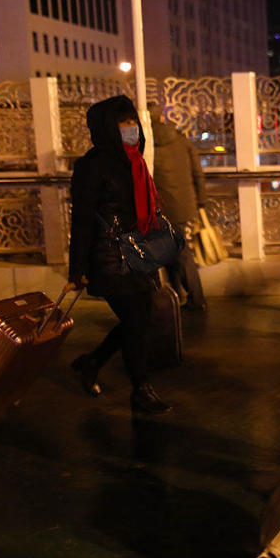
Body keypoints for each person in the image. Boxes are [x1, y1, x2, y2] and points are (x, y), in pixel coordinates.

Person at [64, 95, 172, 415]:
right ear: (107, 128)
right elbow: (81, 220)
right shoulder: (91, 166)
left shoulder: (135, 161)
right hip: (108, 258)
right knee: (137, 319)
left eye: (132, 122)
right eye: (122, 123)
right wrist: (77, 269)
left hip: (137, 255)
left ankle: (92, 362)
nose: (130, 129)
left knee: (138, 319)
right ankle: (141, 390)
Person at [147, 102, 208, 311]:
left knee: (171, 252)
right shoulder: (182, 141)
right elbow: (197, 174)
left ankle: (186, 296)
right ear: (163, 118)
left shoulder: (144, 145)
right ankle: (191, 297)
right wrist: (201, 201)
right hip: (183, 206)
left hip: (158, 208)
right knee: (179, 251)